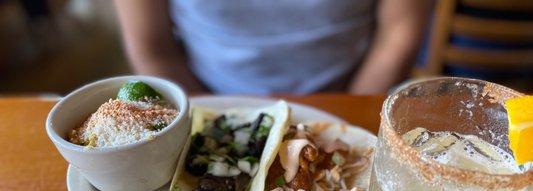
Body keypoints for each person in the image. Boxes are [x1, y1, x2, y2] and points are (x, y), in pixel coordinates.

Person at [113, 0, 430, 94]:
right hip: (207, 99)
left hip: (347, 96)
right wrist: (207, 123)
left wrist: (344, 125)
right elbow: (151, 47)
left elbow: (398, 34)